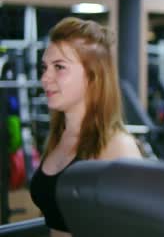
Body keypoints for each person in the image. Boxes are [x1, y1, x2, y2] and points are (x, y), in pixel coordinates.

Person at [30, 17, 143, 237]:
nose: (45, 78)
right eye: (45, 68)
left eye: (59, 67)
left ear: (93, 76)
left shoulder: (118, 146)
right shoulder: (58, 137)